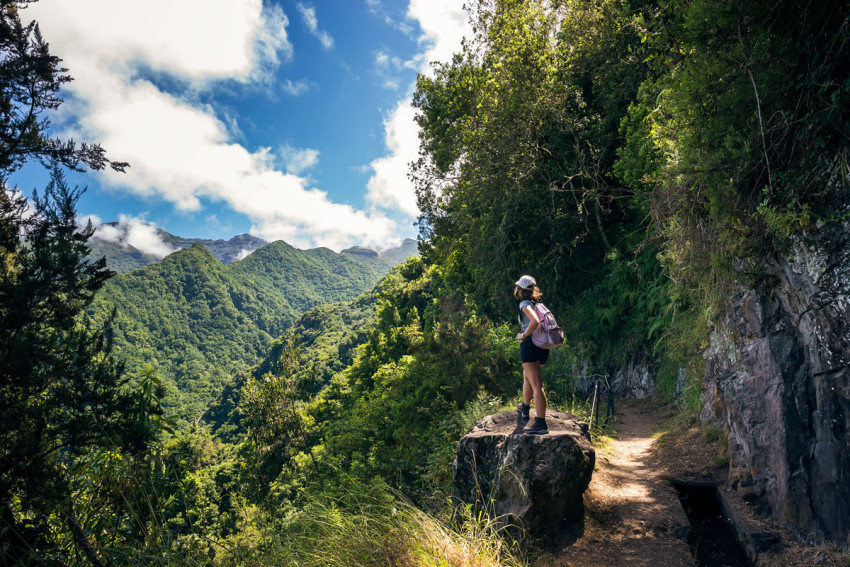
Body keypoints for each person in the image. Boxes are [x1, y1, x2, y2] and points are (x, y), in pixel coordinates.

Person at [514, 275, 549, 435]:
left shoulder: (524, 304)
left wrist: (524, 335)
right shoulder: (538, 303)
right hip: (542, 346)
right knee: (527, 376)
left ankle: (540, 423)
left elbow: (535, 322)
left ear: (520, 290)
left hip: (531, 345)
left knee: (537, 384)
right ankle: (525, 407)